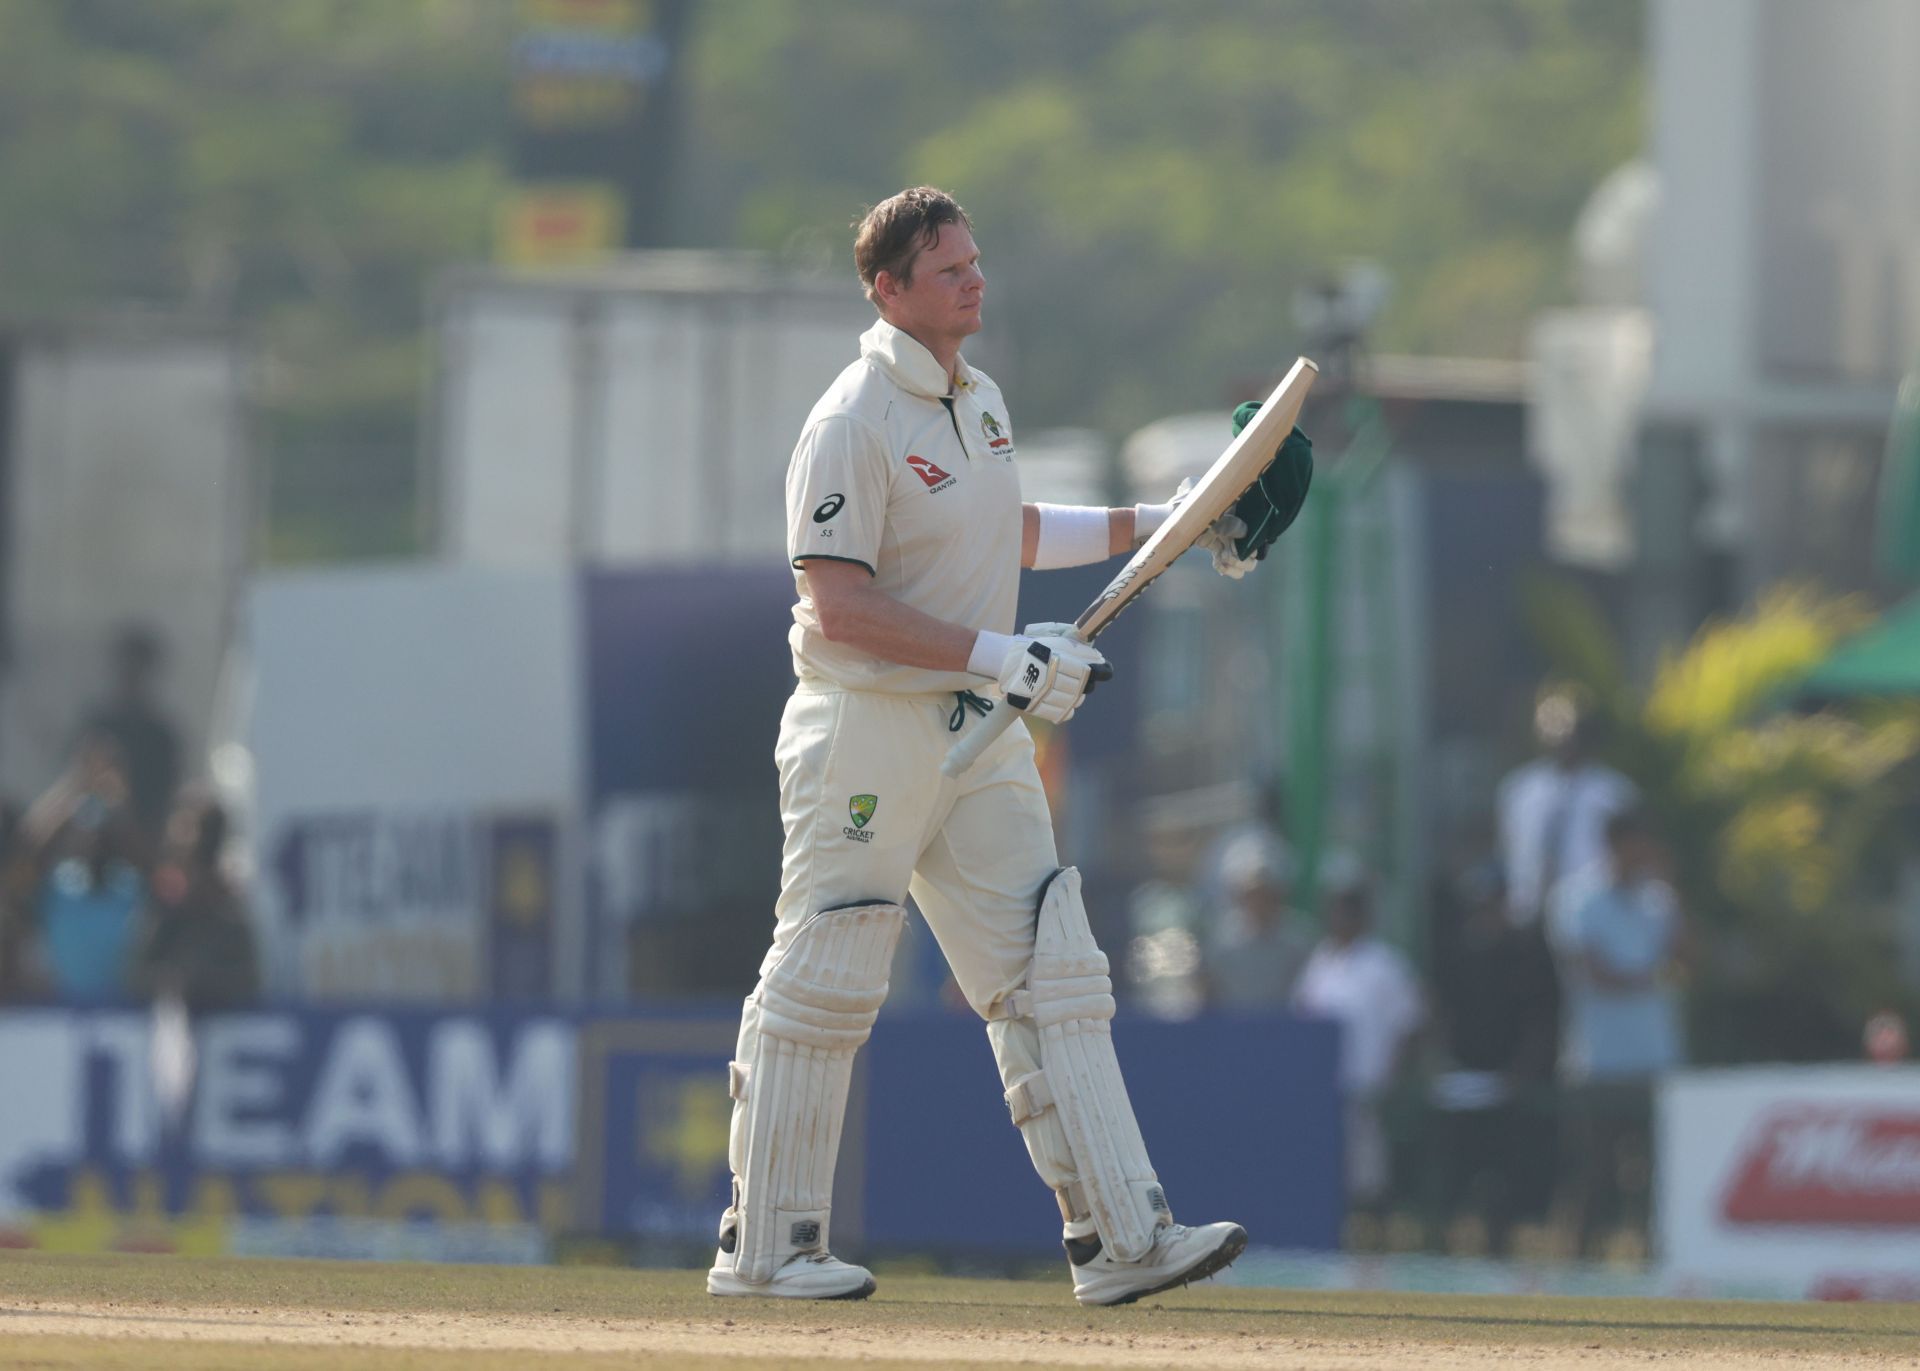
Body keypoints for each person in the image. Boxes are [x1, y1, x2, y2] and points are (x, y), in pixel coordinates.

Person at [708, 186, 1312, 1305]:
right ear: (887, 291)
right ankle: (768, 1246)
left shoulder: (976, 399)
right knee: (833, 967)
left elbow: (1015, 529)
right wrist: (999, 656)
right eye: (949, 271)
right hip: (866, 726)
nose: (974, 282)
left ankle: (1120, 1238)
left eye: (976, 263)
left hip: (978, 733)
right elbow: (837, 605)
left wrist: (1166, 519)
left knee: (1053, 973)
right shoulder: (851, 419)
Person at [1545, 806, 1686, 1258]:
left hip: (1655, 1060)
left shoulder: (1659, 900)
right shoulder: (1577, 898)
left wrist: (1674, 891)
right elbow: (1592, 972)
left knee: (1655, 1177)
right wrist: (1650, 978)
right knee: (1594, 1173)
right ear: (1614, 844)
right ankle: (1576, 1268)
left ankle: (1651, 1265)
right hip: (1598, 1061)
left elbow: (1689, 960)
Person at [1423, 858, 1559, 1256]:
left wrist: (1522, 1073)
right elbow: (1438, 1014)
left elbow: (1541, 1020)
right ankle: (1442, 1254)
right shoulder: (1454, 953)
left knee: (1507, 1181)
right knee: (1453, 1176)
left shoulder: (1526, 953)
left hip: (1511, 1087)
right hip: (1462, 1085)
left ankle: (1501, 1253)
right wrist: (1440, 1063)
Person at [1291, 856, 1423, 1227]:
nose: (1342, 917)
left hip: (1370, 1089)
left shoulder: (1385, 963)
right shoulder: (1320, 963)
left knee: (1371, 1179)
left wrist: (1395, 1079)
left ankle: (1377, 1248)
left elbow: (1410, 1024)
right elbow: (1302, 1015)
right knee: (1331, 1175)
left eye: (1351, 909)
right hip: (1326, 1093)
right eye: (1337, 908)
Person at [1496, 697, 1635, 928]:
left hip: (1591, 917)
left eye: (1569, 728)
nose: (1562, 737)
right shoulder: (1519, 790)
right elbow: (1508, 850)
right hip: (1530, 917)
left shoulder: (1615, 793)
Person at [131, 793, 260, 1013]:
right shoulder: (165, 908)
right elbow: (135, 975)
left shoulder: (229, 912)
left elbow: (250, 978)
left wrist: (206, 983)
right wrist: (172, 981)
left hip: (224, 1028)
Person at [83, 624, 182, 847]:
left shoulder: (160, 736)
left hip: (143, 845)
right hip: (95, 843)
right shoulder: (98, 726)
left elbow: (166, 797)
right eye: (126, 668)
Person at [1203, 832, 1311, 1011]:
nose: (1260, 903)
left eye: (1267, 894)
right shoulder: (1222, 944)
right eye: (1253, 895)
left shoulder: (1299, 941)